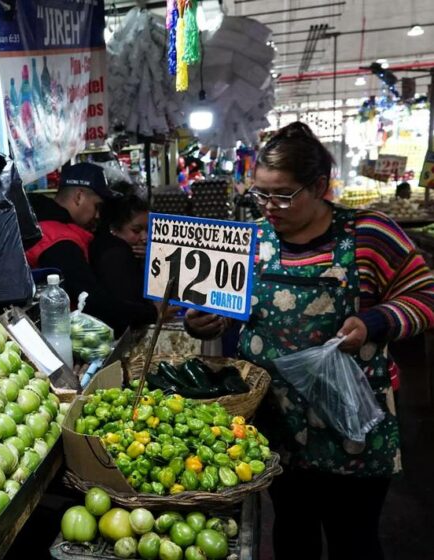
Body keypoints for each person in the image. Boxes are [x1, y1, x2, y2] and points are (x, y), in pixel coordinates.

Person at [184, 122, 434, 560]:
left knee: (352, 539)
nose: (269, 207)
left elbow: (426, 293)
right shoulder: (252, 242)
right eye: (260, 194)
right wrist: (203, 322)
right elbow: (219, 313)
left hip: (350, 424)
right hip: (275, 425)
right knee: (292, 531)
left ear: (319, 185)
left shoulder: (367, 234)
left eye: (282, 194)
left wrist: (376, 321)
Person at [26, 163, 158, 334]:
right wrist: (151, 313)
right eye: (97, 206)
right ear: (79, 196)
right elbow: (93, 302)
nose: (97, 216)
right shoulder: (59, 239)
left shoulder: (44, 225)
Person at [89, 194, 162, 335]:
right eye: (136, 230)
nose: (145, 237)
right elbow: (124, 309)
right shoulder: (116, 255)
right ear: (114, 229)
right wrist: (153, 311)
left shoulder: (116, 248)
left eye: (148, 230)